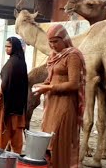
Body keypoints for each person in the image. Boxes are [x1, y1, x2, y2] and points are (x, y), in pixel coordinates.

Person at [33, 24, 86, 168]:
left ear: (64, 39)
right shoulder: (53, 56)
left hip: (65, 105)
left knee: (58, 142)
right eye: (50, 42)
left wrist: (50, 87)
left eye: (56, 41)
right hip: (51, 104)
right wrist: (42, 88)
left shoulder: (73, 55)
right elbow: (51, 78)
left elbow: (74, 84)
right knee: (48, 144)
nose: (52, 45)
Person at [0, 36, 28, 154]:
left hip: (8, 104)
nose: (6, 49)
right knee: (16, 133)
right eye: (5, 46)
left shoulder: (12, 63)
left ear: (15, 47)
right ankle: (16, 158)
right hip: (18, 106)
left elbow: (5, 83)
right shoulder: (21, 62)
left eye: (9, 46)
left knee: (3, 131)